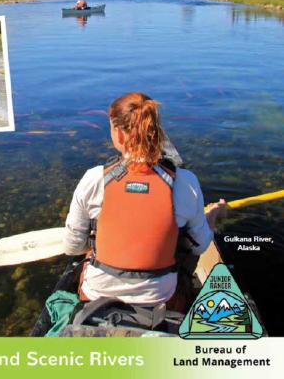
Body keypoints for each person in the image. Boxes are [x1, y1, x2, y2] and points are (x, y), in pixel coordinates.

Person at [64, 92, 226, 307]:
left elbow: (73, 248)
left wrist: (98, 239)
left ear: (119, 135)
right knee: (190, 241)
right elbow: (199, 246)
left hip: (96, 296)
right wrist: (211, 216)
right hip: (160, 298)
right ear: (155, 130)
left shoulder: (93, 179)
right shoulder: (186, 182)